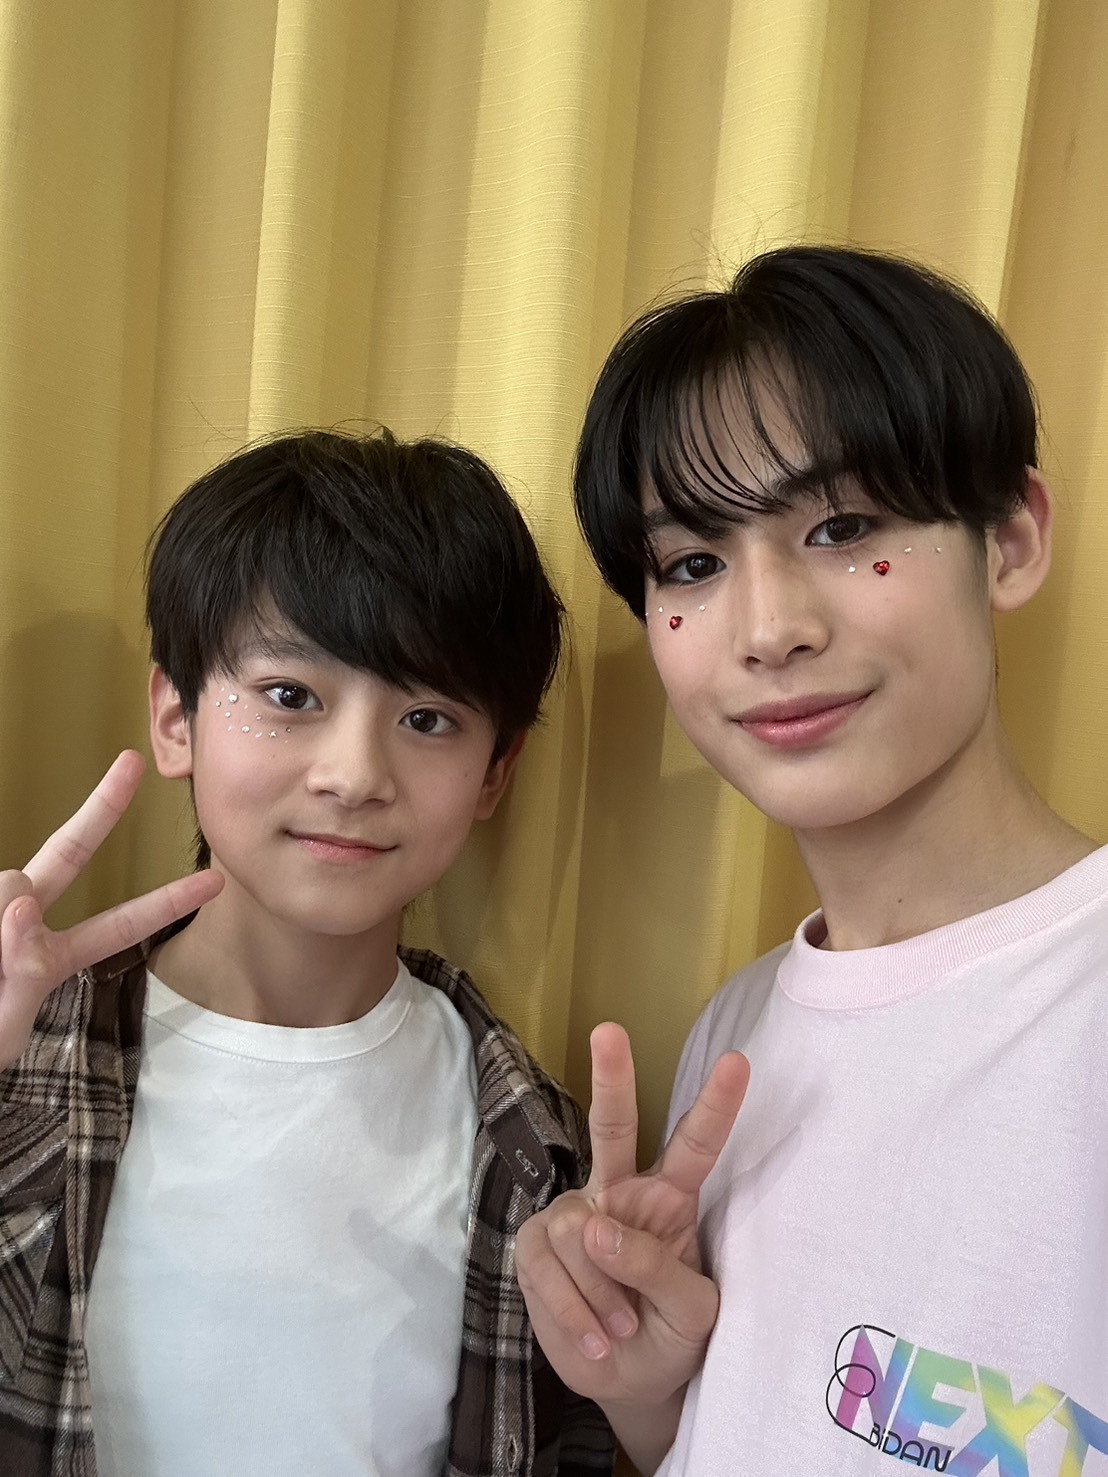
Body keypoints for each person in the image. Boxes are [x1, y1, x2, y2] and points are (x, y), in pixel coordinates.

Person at [515, 245, 1108, 1475]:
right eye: (692, 565)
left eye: (843, 528)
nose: (769, 628)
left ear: (1007, 540)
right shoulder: (734, 1035)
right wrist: (646, 1388)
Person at [0, 429, 617, 1477]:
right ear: (176, 716)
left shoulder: (534, 1146)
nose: (355, 773)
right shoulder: (26, 1062)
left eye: (427, 717)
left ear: (494, 775)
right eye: (290, 696)